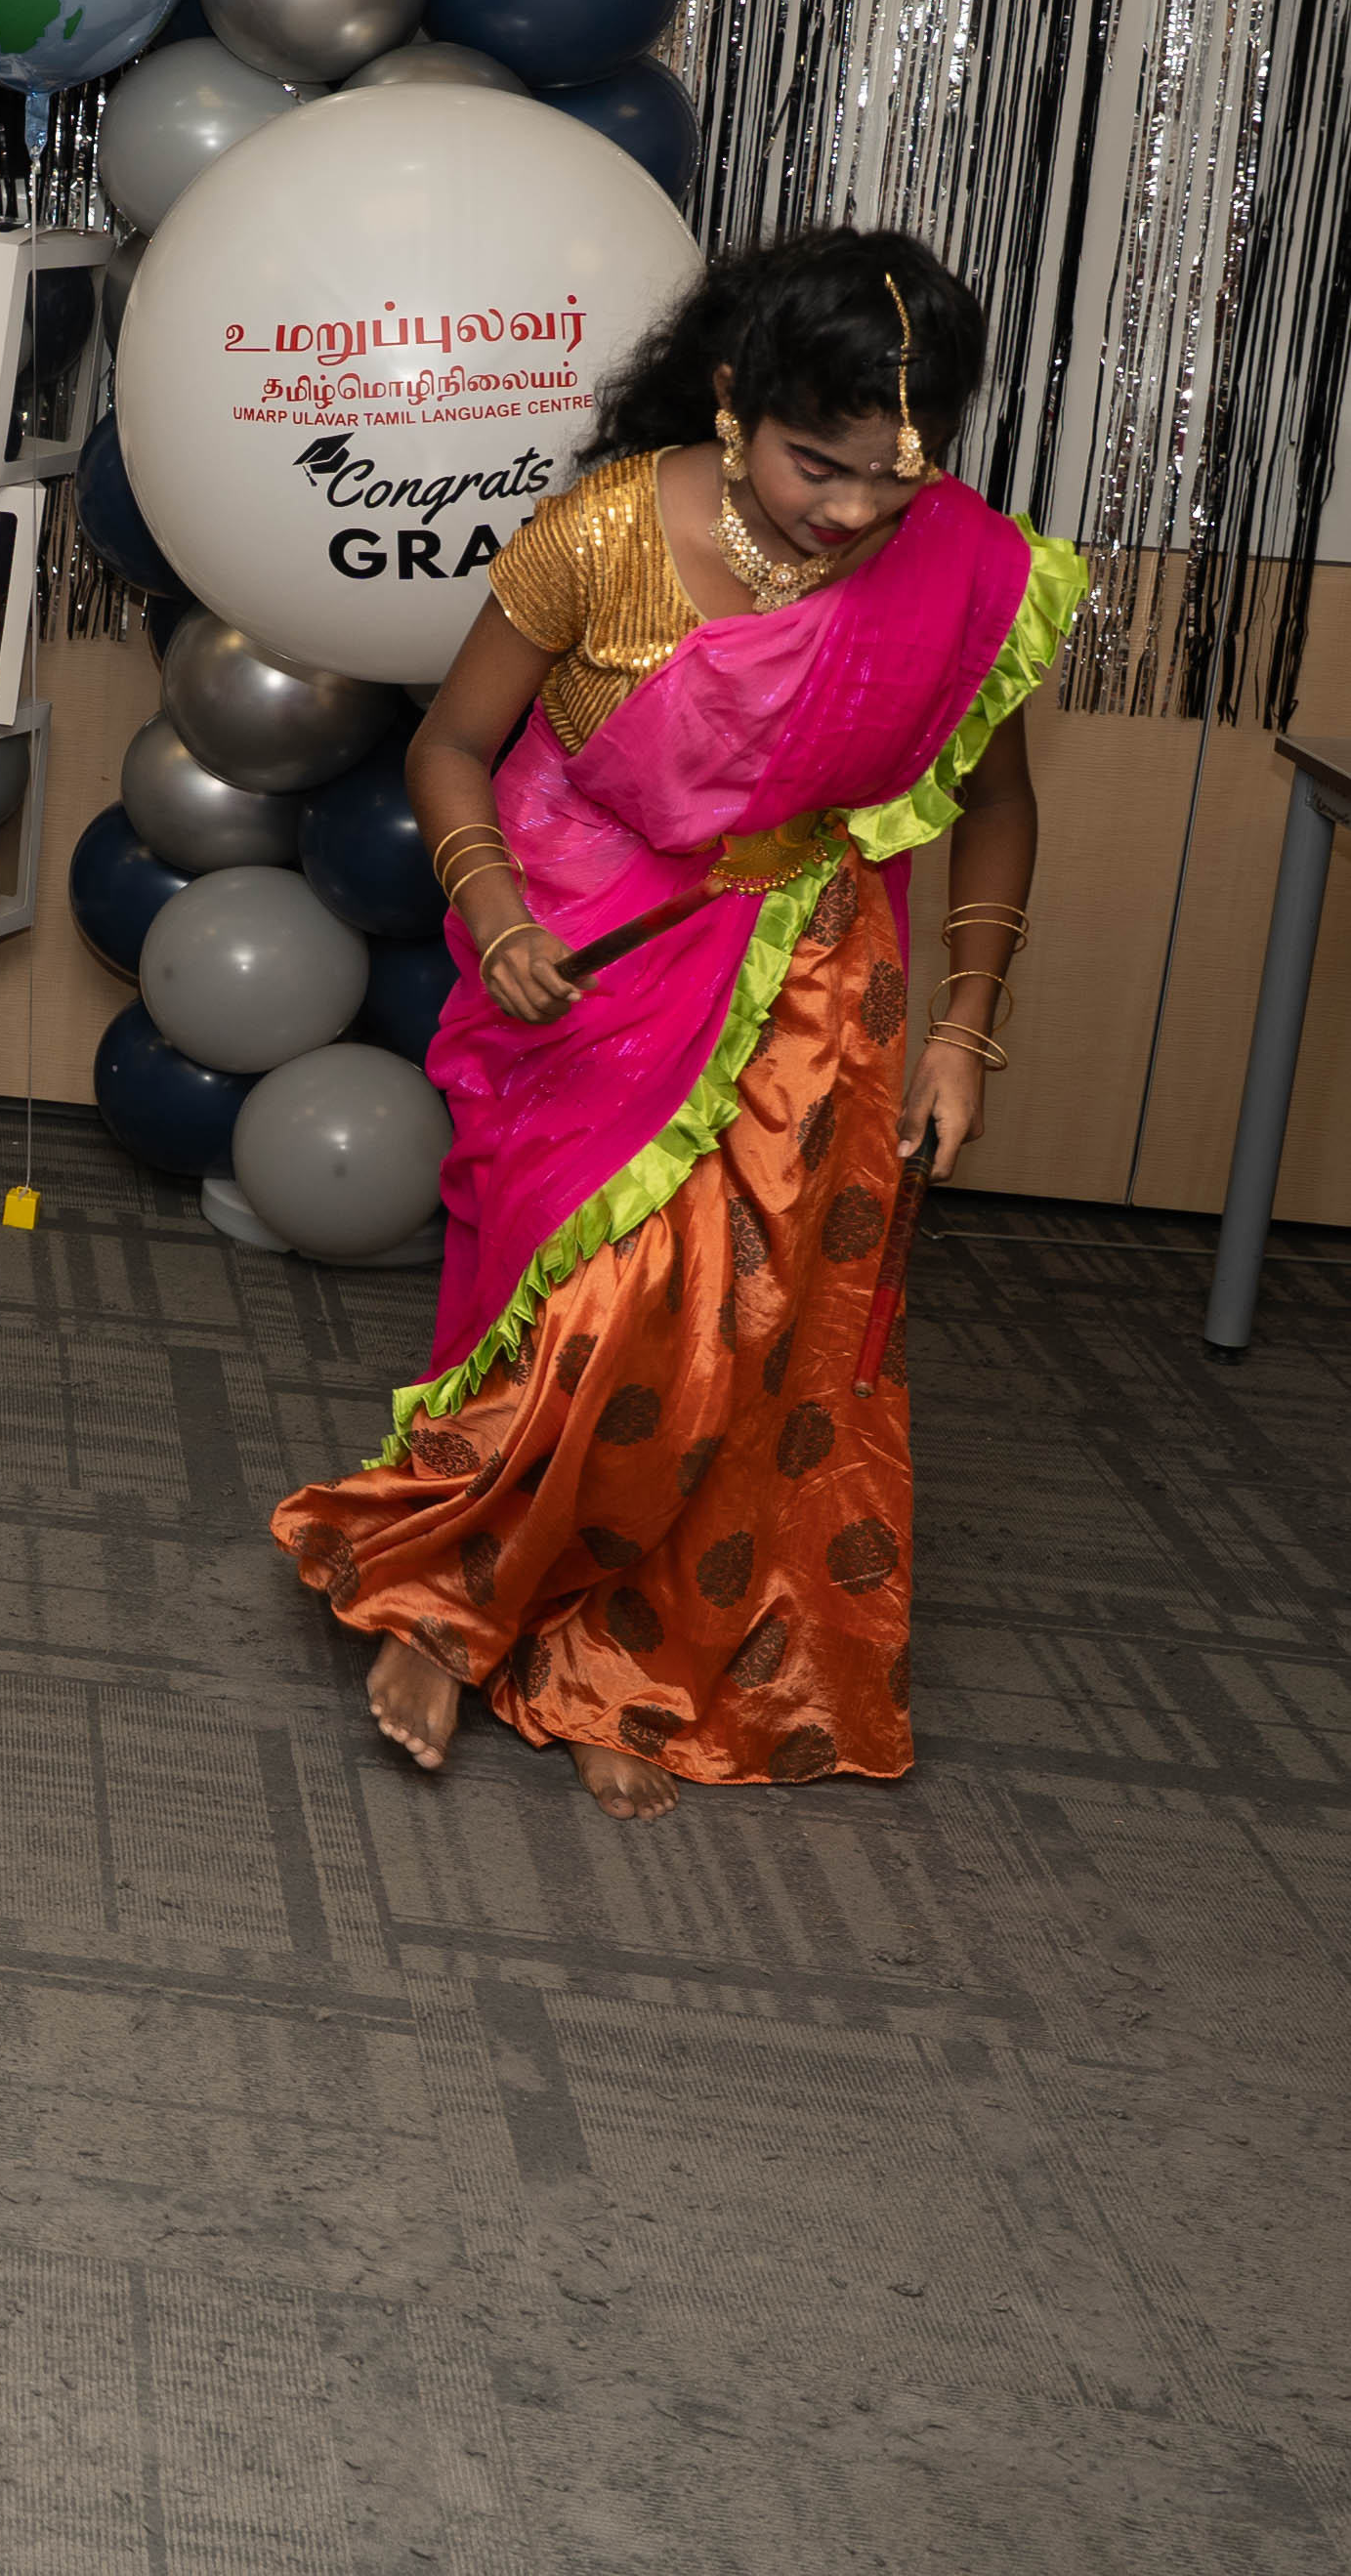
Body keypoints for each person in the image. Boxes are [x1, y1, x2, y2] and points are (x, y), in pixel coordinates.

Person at [272, 232, 1084, 1818]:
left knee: (747, 1334)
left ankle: (624, 1662)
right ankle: (452, 1604)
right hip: (591, 944)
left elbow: (996, 808)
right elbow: (448, 745)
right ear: (731, 398)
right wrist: (497, 910)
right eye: (813, 464)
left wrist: (961, 1035)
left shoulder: (963, 568)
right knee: (598, 1300)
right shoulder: (600, 533)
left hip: (813, 968)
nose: (849, 511)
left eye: (894, 475)